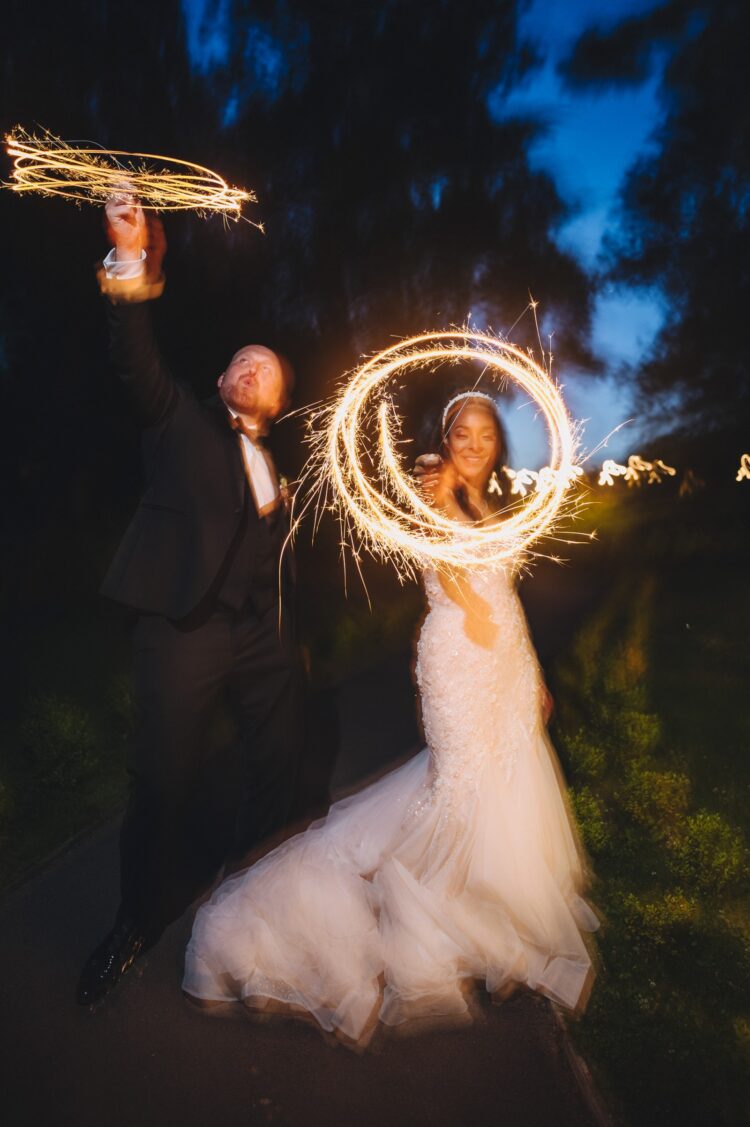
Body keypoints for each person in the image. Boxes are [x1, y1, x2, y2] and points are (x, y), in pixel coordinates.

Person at [182, 389, 599, 1044]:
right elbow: (448, 566)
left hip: (506, 662)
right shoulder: (433, 486)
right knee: (457, 786)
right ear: (447, 435)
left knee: (499, 782)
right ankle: (424, 924)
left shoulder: (493, 501)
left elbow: (505, 588)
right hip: (460, 655)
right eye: (462, 432)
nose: (473, 444)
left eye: (486, 435)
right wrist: (463, 579)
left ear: (497, 445)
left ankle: (489, 911)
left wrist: (533, 670)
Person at [77, 198, 306, 1006]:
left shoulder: (279, 471)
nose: (250, 371)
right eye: (241, 362)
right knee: (161, 782)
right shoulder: (184, 423)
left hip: (258, 637)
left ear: (276, 403)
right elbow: (134, 357)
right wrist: (133, 262)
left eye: (265, 370)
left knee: (281, 755)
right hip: (184, 630)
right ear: (219, 380)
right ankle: (132, 922)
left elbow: (277, 557)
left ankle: (247, 892)